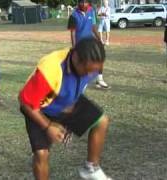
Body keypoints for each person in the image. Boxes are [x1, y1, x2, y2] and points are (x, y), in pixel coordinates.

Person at [19, 38, 112, 180]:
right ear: (76, 58)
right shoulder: (50, 69)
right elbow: (26, 104)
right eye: (87, 70)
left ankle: (91, 168)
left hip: (66, 103)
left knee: (102, 121)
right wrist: (48, 126)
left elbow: (76, 87)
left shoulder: (91, 67)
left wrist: (68, 121)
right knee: (41, 154)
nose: (90, 74)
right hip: (39, 109)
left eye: (94, 70)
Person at [68, 0, 110, 89]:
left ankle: (100, 80)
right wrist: (74, 47)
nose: (84, 4)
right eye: (82, 2)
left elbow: (93, 27)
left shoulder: (91, 11)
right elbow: (73, 33)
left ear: (89, 3)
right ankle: (81, 83)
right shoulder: (73, 15)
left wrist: (100, 39)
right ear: (78, 3)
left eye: (86, 2)